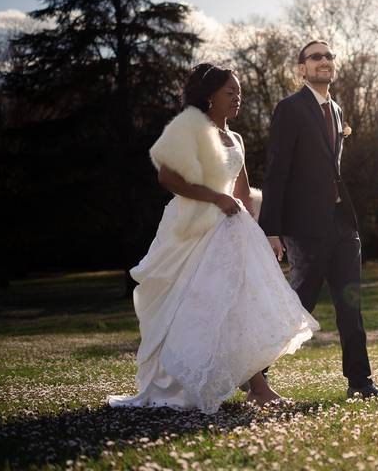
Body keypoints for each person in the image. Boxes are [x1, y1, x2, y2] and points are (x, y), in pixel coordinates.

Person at [108, 63, 318, 414]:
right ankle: (194, 378)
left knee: (240, 305)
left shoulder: (235, 138)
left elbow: (242, 191)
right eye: (230, 92)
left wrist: (266, 234)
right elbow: (168, 178)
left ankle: (258, 387)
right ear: (210, 97)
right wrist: (215, 198)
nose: (238, 98)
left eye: (239, 92)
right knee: (199, 306)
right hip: (194, 229)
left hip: (233, 232)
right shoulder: (190, 130)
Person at [259, 40, 378, 399]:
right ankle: (255, 375)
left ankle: (360, 384)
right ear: (301, 68)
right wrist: (271, 229)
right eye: (315, 57)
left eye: (329, 56)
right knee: (297, 304)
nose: (324, 61)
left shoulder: (336, 109)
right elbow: (277, 171)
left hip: (342, 224)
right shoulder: (290, 109)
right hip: (305, 227)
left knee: (351, 306)